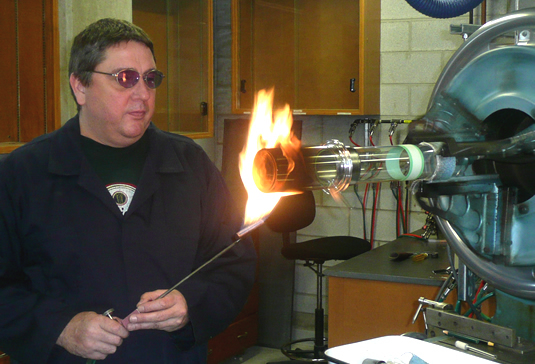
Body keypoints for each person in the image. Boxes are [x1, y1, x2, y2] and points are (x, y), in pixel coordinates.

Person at [0, 18, 256, 363]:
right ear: (80, 87)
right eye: (125, 78)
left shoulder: (190, 164)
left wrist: (188, 306)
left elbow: (233, 262)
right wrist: (60, 327)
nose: (142, 93)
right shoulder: (22, 174)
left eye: (150, 79)